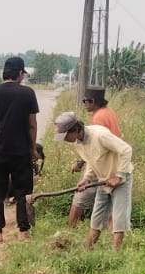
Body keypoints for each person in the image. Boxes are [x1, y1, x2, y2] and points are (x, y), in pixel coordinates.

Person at [54, 111, 135, 250]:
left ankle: (115, 255)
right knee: (96, 219)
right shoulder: (78, 143)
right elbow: (91, 161)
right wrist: (87, 178)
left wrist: (119, 176)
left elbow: (126, 150)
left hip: (121, 180)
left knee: (118, 219)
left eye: (66, 135)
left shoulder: (99, 135)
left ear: (76, 129)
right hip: (103, 181)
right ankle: (87, 251)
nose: (65, 139)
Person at [0, 56, 38, 242]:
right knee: (22, 191)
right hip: (20, 151)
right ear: (20, 73)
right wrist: (33, 149)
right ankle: (23, 232)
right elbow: (32, 125)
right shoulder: (28, 93)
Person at [69, 88, 123, 226]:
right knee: (111, 201)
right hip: (112, 162)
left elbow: (92, 146)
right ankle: (112, 232)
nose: (84, 104)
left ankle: (69, 229)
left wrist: (80, 163)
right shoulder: (109, 112)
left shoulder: (99, 117)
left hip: (101, 162)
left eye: (85, 101)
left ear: (92, 101)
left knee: (80, 197)